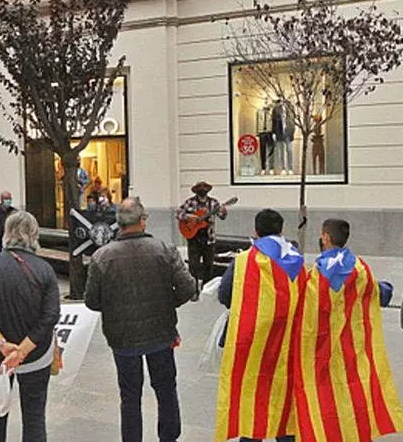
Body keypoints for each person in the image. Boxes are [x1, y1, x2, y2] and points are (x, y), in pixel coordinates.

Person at [85, 198, 194, 442]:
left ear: (118, 223)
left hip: (122, 338)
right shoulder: (164, 249)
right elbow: (187, 289)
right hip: (161, 333)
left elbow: (91, 300)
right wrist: (167, 303)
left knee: (130, 395)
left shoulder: (101, 257)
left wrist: (114, 308)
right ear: (142, 221)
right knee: (166, 389)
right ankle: (169, 437)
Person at [289, 219, 403, 440]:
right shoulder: (361, 267)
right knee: (353, 396)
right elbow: (382, 293)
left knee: (325, 401)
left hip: (324, 352)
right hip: (354, 347)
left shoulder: (317, 273)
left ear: (326, 237)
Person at [0, 211, 60, 441]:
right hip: (35, 355)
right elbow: (50, 316)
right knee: (34, 417)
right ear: (34, 234)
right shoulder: (44, 270)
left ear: (6, 233)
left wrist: (3, 345)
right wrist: (22, 350)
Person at [216, 209, 300, 442]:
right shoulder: (297, 261)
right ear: (281, 230)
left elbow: (225, 295)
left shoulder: (243, 261)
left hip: (250, 340)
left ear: (256, 231)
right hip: (285, 341)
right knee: (283, 397)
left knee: (252, 395)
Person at [175, 181, 228, 299]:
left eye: (204, 189)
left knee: (208, 265)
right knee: (193, 265)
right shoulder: (190, 202)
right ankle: (193, 291)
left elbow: (222, 216)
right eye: (200, 189)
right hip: (194, 238)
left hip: (209, 238)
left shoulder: (213, 203)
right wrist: (190, 217)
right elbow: (178, 213)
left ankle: (206, 289)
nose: (202, 191)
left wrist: (223, 211)